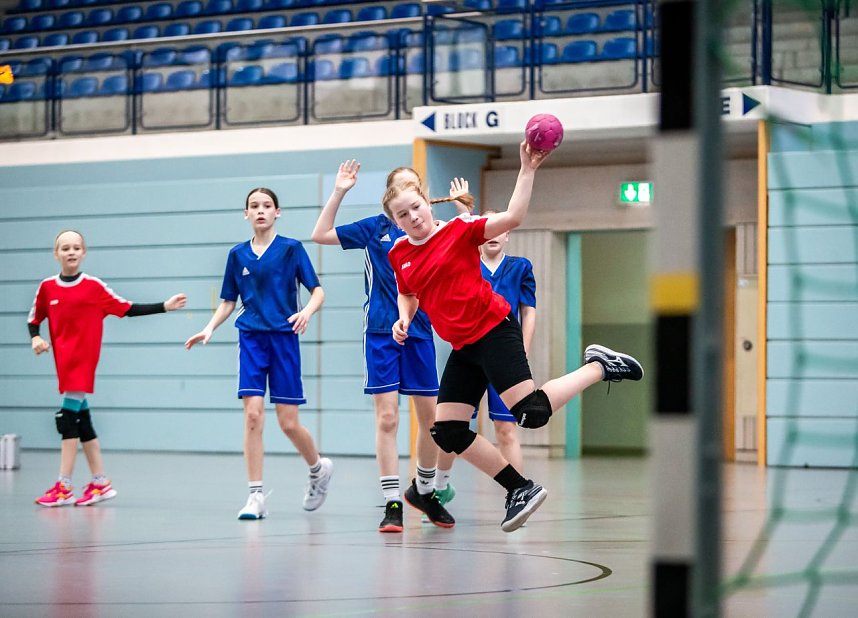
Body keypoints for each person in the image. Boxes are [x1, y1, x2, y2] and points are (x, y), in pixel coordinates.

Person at [384, 143, 644, 532]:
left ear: (426, 202)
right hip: (463, 347)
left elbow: (514, 215)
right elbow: (409, 291)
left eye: (415, 207)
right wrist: (402, 318)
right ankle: (519, 489)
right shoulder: (399, 253)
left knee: (531, 413)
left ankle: (599, 367)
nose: (412, 217)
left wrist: (526, 169)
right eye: (402, 215)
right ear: (396, 221)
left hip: (493, 329)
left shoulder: (459, 230)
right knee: (448, 430)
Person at [311, 161, 455, 533]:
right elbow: (320, 233)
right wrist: (340, 189)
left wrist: (464, 212)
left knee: (432, 423)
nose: (408, 193)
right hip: (380, 331)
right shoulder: (375, 229)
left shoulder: (436, 232)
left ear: (423, 196)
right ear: (389, 199)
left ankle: (423, 490)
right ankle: (392, 501)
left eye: (414, 187)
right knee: (388, 417)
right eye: (399, 188)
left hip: (422, 331)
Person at [185, 187, 332, 521]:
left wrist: (307, 311)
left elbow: (318, 291)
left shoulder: (292, 249)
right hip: (251, 338)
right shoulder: (237, 255)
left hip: (284, 339)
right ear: (246, 214)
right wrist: (209, 328)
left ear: (277, 212)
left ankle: (318, 469)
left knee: (289, 423)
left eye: (267, 205)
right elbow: (228, 301)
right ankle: (255, 496)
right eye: (254, 206)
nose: (261, 210)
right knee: (253, 415)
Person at [28, 229, 187, 508]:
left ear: (84, 252)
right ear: (56, 254)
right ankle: (100, 483)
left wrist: (164, 306)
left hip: (83, 363)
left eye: (77, 247)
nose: (71, 252)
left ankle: (64, 486)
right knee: (82, 422)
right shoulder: (47, 288)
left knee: (66, 420)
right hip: (63, 364)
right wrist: (37, 338)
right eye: (65, 248)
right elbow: (34, 318)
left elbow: (126, 308)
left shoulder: (93, 287)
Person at [434, 207, 535, 503]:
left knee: (507, 427)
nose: (492, 235)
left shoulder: (520, 267)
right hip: (469, 354)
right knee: (451, 426)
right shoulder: (466, 264)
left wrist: (522, 350)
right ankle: (439, 486)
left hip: (503, 353)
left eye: (498, 228)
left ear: (507, 233)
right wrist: (464, 215)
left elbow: (528, 312)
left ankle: (518, 494)